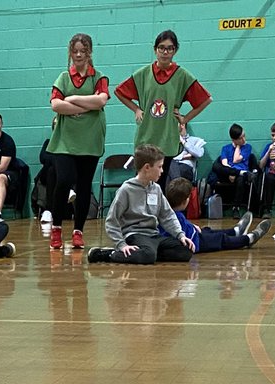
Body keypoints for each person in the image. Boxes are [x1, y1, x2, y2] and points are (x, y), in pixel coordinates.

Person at [115, 30, 211, 184]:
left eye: (170, 48)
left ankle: (156, 208)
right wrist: (136, 109)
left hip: (167, 138)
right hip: (146, 137)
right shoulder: (143, 74)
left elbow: (205, 99)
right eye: (161, 47)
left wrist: (185, 119)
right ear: (155, 49)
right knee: (141, 182)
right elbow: (119, 92)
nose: (165, 52)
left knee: (159, 183)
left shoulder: (182, 76)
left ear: (175, 50)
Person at [47, 32, 109, 251]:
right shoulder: (63, 77)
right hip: (65, 139)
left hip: (90, 139)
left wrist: (71, 99)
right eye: (75, 51)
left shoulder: (99, 77)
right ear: (70, 53)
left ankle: (78, 231)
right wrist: (86, 106)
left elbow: (101, 99)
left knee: (84, 185)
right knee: (64, 180)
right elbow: (55, 105)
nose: (79, 55)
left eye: (83, 51)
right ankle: (56, 227)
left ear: (90, 52)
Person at [87, 143, 194, 264]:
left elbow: (167, 215)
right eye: (159, 167)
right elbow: (112, 220)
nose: (162, 171)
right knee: (148, 255)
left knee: (185, 250)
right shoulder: (126, 190)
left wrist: (181, 235)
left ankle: (141, 253)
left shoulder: (156, 189)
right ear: (147, 167)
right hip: (136, 235)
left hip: (153, 236)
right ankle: (109, 254)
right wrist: (121, 244)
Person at [165, 178, 270, 251]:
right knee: (220, 239)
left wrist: (193, 227)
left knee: (207, 230)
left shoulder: (171, 213)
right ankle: (248, 239)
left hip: (195, 236)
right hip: (196, 243)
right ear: (185, 201)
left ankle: (235, 231)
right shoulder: (176, 217)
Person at [206, 124, 258, 216]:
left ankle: (236, 208)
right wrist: (230, 174)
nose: (244, 140)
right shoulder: (226, 148)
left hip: (242, 176)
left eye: (244, 136)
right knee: (217, 167)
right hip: (228, 173)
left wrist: (238, 147)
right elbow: (224, 164)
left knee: (241, 179)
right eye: (240, 138)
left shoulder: (247, 147)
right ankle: (240, 173)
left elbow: (236, 159)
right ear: (233, 140)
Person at [169, 116, 206, 180]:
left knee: (178, 170)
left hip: (186, 167)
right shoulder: (170, 141)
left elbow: (199, 154)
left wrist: (183, 142)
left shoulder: (195, 140)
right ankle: (176, 186)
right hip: (171, 165)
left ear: (182, 125)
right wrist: (184, 157)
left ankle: (176, 184)